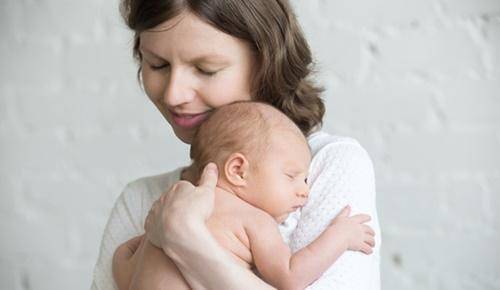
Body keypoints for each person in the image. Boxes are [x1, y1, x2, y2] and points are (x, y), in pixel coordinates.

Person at [91, 0, 381, 289]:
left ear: (265, 63)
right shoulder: (140, 199)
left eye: (206, 69)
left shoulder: (331, 165)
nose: (173, 94)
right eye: (157, 64)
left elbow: (124, 264)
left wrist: (185, 237)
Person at [112, 101, 376, 290]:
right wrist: (339, 236)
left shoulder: (175, 206)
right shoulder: (254, 220)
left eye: (305, 180)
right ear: (238, 170)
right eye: (291, 176)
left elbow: (122, 267)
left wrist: (143, 241)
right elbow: (290, 278)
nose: (304, 190)